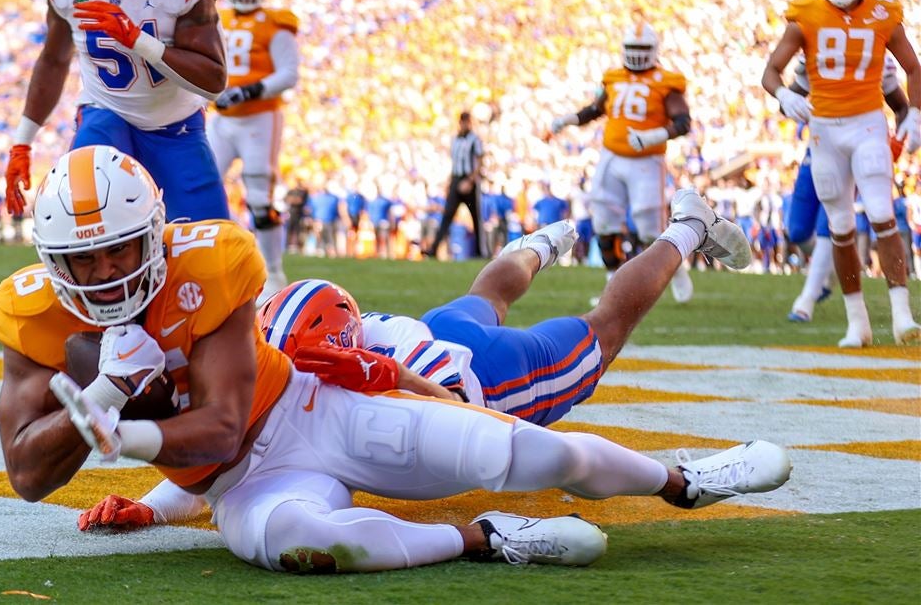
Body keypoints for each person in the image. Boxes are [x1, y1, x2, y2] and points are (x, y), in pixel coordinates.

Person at [0, 145, 792, 574]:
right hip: (253, 482)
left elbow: (224, 424)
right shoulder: (32, 314)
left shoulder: (216, 269)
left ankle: (688, 481)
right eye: (81, 259)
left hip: (311, 410)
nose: (105, 274)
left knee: (533, 441)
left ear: (158, 229)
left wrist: (122, 430)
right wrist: (102, 399)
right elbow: (28, 473)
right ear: (47, 258)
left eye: (120, 250)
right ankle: (488, 537)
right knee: (320, 544)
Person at [89, 186, 761, 532]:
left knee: (602, 330)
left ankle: (686, 226)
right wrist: (153, 506)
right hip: (428, 334)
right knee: (485, 294)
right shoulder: (321, 348)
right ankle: (544, 239)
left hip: (481, 373)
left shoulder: (341, 372)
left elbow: (449, 414)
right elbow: (246, 436)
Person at [763, 0, 921, 347]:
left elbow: (914, 68)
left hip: (867, 123)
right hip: (825, 131)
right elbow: (771, 71)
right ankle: (857, 323)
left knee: (882, 213)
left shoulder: (884, 14)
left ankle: (902, 317)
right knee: (840, 227)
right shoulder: (805, 15)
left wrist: (914, 114)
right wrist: (785, 95)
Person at [4, 0, 230, 224]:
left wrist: (137, 40)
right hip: (105, 113)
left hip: (175, 125)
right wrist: (22, 143)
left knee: (207, 241)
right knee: (85, 224)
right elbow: (53, 61)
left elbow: (212, 80)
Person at [549, 23, 695, 304]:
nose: (637, 55)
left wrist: (654, 135)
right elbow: (596, 109)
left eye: (642, 49)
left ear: (654, 51)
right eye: (632, 49)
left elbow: (683, 123)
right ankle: (612, 286)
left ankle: (676, 270)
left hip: (646, 160)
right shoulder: (613, 77)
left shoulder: (667, 81)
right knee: (603, 220)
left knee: (650, 228)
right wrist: (570, 119)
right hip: (611, 157)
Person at [783, 54, 910, 323]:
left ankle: (806, 300)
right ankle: (827, 272)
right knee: (796, 229)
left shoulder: (873, 46)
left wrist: (898, 140)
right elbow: (787, 104)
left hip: (859, 146)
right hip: (820, 143)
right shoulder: (819, 41)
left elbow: (900, 104)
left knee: (833, 224)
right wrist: (789, 93)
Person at [207, 0, 300, 300]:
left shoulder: (275, 23)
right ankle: (212, 263)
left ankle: (272, 271)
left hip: (259, 118)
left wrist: (249, 91)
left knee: (260, 195)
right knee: (204, 186)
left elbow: (289, 73)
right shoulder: (216, 17)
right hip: (222, 119)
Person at [425, 112, 484, 259]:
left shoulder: (474, 139)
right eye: (462, 122)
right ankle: (434, 249)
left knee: (475, 217)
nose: (465, 124)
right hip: (457, 179)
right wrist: (450, 182)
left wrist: (470, 180)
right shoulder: (455, 139)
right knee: (447, 215)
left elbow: (480, 161)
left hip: (469, 180)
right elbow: (455, 164)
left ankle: (480, 252)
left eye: (467, 122)